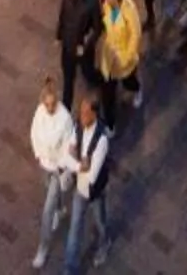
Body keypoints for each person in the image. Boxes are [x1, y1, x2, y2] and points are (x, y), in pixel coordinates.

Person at [27, 83, 78, 273]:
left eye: (52, 104)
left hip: (57, 167)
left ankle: (43, 247)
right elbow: (34, 134)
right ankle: (61, 209)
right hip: (45, 164)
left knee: (46, 210)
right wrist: (39, 155)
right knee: (47, 189)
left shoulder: (64, 118)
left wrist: (61, 165)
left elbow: (69, 144)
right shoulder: (40, 113)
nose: (49, 108)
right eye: (46, 104)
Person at [61, 91, 112, 271]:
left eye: (85, 112)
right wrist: (80, 165)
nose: (81, 115)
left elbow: (92, 176)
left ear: (94, 114)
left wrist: (78, 163)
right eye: (81, 111)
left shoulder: (102, 139)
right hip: (80, 189)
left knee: (100, 222)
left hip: (95, 191)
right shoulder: (79, 126)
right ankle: (70, 268)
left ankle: (105, 243)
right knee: (75, 229)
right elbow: (66, 157)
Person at [54, 0, 99, 107]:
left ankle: (104, 82)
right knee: (68, 80)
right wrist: (58, 36)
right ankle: (66, 112)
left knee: (89, 74)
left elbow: (97, 28)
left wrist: (85, 45)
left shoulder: (92, 0)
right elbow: (62, 14)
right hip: (68, 46)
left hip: (82, 50)